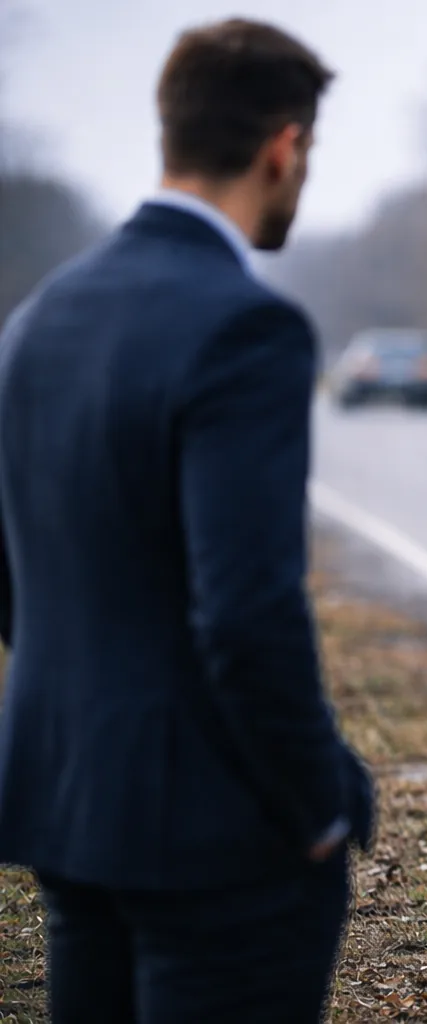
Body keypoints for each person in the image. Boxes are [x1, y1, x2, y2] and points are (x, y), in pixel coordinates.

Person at [0, 19, 373, 1022]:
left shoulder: (38, 319)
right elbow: (247, 612)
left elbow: (14, 574)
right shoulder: (246, 326)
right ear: (283, 146)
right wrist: (318, 807)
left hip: (69, 812)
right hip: (217, 839)